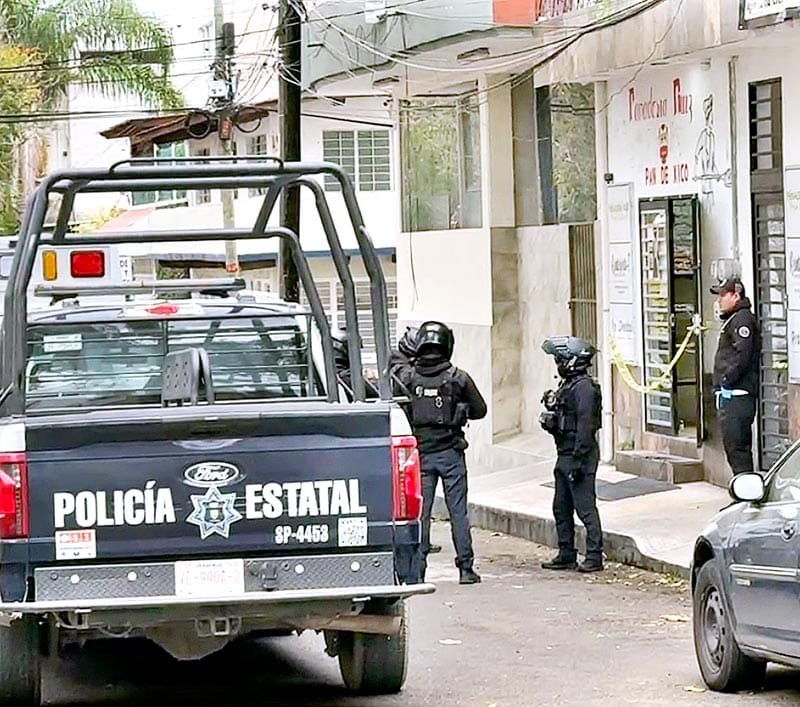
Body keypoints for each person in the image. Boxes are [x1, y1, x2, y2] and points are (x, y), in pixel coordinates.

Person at [390, 321, 487, 584]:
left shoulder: (408, 378)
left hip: (420, 455)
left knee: (421, 514)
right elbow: (481, 410)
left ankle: (417, 571)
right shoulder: (458, 377)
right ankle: (465, 569)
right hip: (451, 453)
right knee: (458, 512)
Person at [539, 336, 604, 573]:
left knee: (585, 507)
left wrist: (578, 458)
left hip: (579, 456)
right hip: (564, 453)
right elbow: (567, 419)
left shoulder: (585, 388)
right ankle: (567, 553)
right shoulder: (569, 385)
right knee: (561, 506)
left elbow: (586, 426)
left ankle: (594, 555)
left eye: (560, 359)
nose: (558, 364)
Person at [709, 277, 761, 475]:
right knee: (732, 446)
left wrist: (726, 381)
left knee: (738, 448)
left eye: (723, 295)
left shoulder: (742, 319)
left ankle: (746, 492)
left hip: (739, 394)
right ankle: (741, 488)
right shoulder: (733, 319)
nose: (719, 300)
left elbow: (743, 354)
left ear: (736, 295)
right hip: (730, 394)